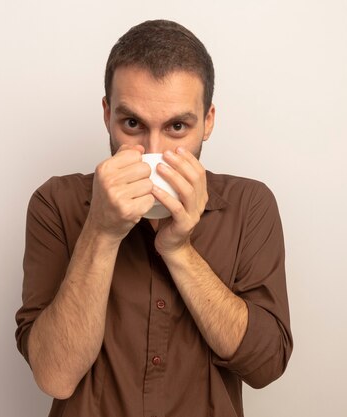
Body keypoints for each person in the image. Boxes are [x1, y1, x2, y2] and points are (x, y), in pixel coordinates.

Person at [15, 19, 293, 417]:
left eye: (177, 127)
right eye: (133, 124)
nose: (153, 150)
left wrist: (179, 250)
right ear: (107, 114)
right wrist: (102, 231)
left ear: (208, 121)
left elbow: (265, 365)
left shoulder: (250, 206)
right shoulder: (55, 203)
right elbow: (54, 376)